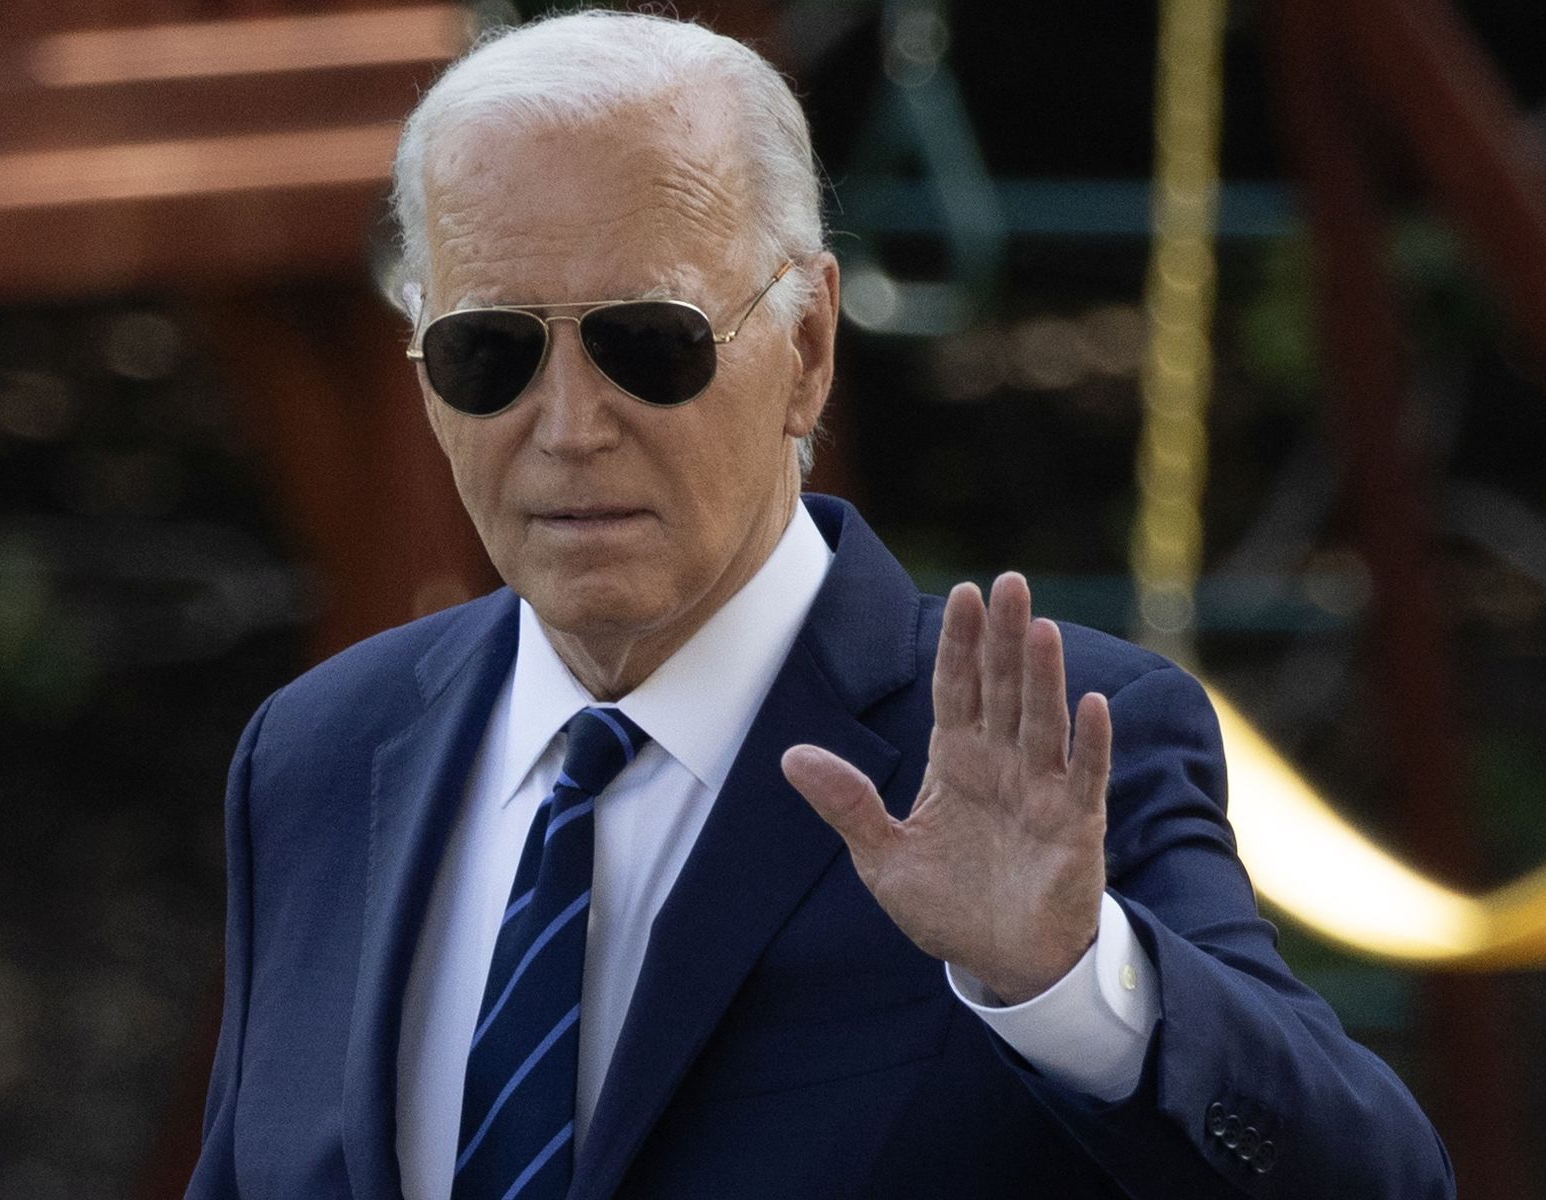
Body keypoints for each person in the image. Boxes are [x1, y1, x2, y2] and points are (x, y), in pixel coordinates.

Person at [186, 11, 1454, 1200]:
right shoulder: (317, 755)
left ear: (805, 352)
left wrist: (1072, 988)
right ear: (422, 374)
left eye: (651, 342)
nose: (568, 428)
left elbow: (1378, 1177)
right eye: (489, 352)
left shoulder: (1052, 747)